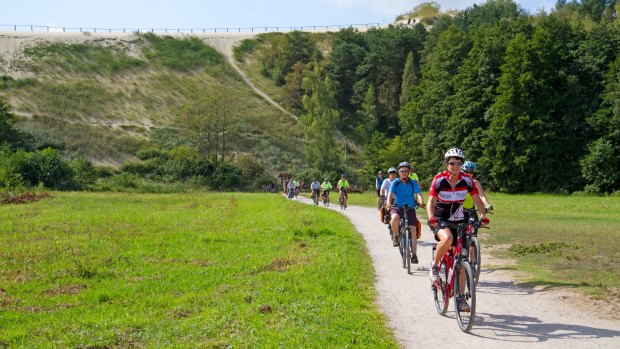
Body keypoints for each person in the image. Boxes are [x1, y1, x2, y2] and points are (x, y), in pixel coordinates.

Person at [427, 148, 489, 311]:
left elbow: (477, 200)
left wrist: (483, 215)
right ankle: (434, 265)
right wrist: (431, 217)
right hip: (440, 218)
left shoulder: (467, 181)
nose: (455, 166)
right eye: (452, 163)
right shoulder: (439, 180)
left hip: (460, 219)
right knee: (447, 239)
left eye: (458, 163)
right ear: (447, 164)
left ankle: (460, 298)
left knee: (462, 258)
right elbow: (431, 202)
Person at [388, 162, 425, 262]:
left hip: (410, 208)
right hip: (397, 207)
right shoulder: (396, 182)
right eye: (402, 171)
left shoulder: (413, 182)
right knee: (394, 218)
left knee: (413, 229)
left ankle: (414, 254)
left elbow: (419, 193)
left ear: (409, 172)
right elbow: (390, 194)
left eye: (406, 171)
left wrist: (421, 202)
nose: (404, 173)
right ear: (399, 172)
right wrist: (388, 203)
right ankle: (396, 237)